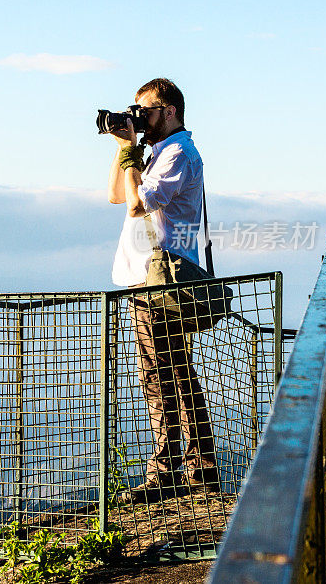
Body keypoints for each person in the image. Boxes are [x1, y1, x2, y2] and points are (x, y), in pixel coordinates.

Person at [106, 78, 219, 504]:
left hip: (162, 278)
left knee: (160, 375)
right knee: (173, 372)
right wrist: (124, 147)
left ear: (169, 110)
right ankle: (198, 468)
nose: (140, 119)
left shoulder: (178, 153)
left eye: (146, 111)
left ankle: (166, 473)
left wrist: (133, 146)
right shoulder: (155, 153)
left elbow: (139, 204)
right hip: (149, 276)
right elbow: (117, 195)